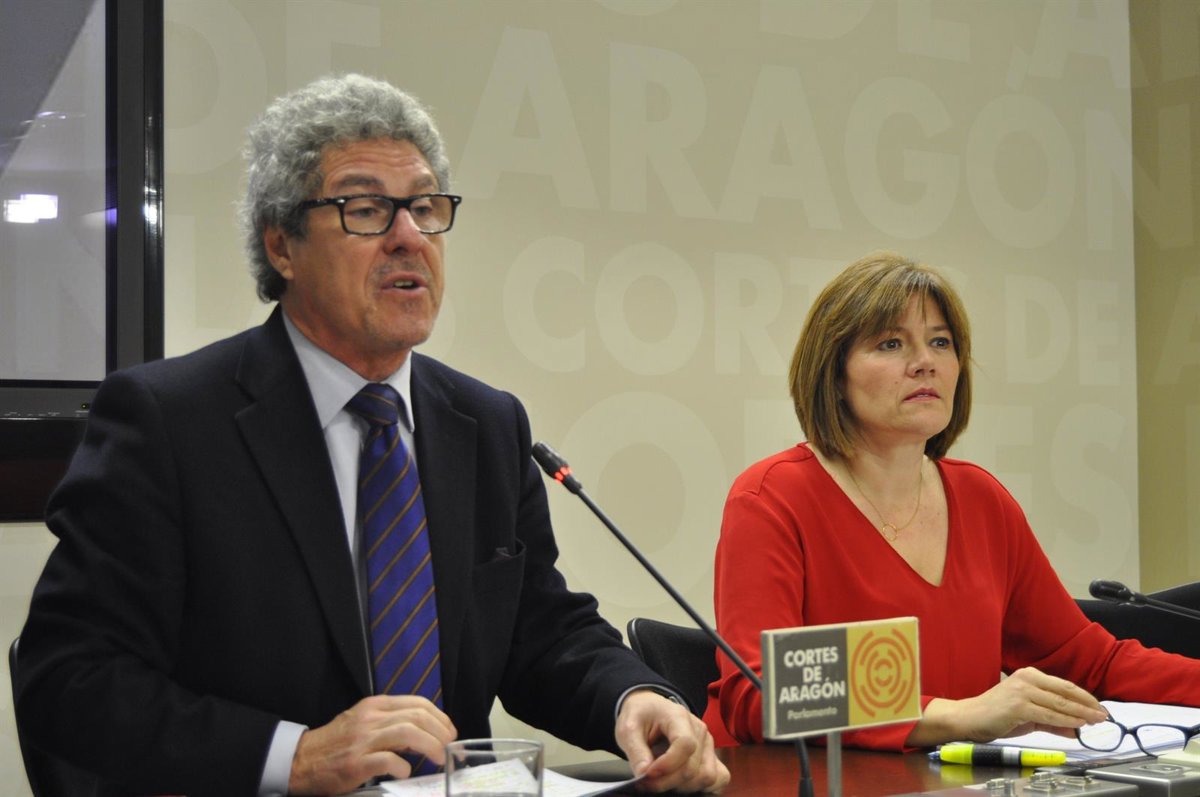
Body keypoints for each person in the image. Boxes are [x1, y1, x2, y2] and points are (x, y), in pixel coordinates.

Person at [15, 73, 728, 797]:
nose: (409, 237)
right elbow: (67, 675)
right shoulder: (169, 422)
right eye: (364, 210)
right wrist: (295, 756)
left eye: (425, 206)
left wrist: (633, 697)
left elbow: (539, 632)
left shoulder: (486, 423)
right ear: (282, 246)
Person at [703, 251, 1200, 751]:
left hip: (946, 781)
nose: (926, 362)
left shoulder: (982, 500)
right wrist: (957, 715)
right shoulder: (771, 497)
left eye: (940, 342)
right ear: (834, 374)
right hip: (795, 781)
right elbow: (759, 691)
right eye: (891, 343)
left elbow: (1089, 662)